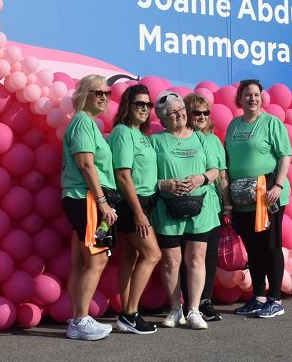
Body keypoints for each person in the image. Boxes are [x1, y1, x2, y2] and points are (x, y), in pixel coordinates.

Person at [151, 90, 221, 330]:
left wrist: (201, 179)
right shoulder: (155, 141)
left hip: (200, 208)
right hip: (168, 208)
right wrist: (164, 184)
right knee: (171, 260)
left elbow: (214, 170)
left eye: (181, 110)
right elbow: (147, 178)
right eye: (173, 113)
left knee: (196, 257)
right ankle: (175, 308)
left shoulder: (201, 138)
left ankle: (193, 310)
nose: (180, 115)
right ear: (162, 118)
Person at [224, 79, 291, 319]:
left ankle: (275, 299)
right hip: (243, 200)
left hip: (268, 198)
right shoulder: (233, 126)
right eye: (247, 95)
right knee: (252, 248)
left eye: (256, 94)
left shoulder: (272, 123)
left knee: (270, 246)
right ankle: (259, 296)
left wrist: (278, 185)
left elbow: (285, 156)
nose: (252, 99)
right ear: (239, 99)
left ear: (261, 98)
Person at [61, 75, 118, 340]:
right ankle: (80, 321)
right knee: (96, 260)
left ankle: (77, 317)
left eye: (107, 92)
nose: (105, 97)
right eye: (99, 92)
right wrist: (102, 201)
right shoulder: (83, 122)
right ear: (85, 94)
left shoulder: (86, 123)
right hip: (86, 198)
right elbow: (86, 164)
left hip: (81, 197)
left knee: (82, 262)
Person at [108, 84, 162, 335]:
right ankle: (130, 314)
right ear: (127, 106)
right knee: (153, 255)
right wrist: (138, 212)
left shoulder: (142, 135)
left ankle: (125, 315)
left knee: (130, 258)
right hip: (132, 203)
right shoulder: (122, 132)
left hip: (145, 201)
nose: (144, 109)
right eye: (139, 104)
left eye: (147, 105)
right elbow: (123, 175)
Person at [179, 93, 229, 322]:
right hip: (185, 204)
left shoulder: (214, 140)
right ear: (186, 114)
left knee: (208, 255)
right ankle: (188, 302)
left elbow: (222, 175)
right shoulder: (180, 138)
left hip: (212, 205)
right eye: (196, 112)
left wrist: (227, 205)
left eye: (205, 112)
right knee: (185, 256)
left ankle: (205, 301)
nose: (201, 116)